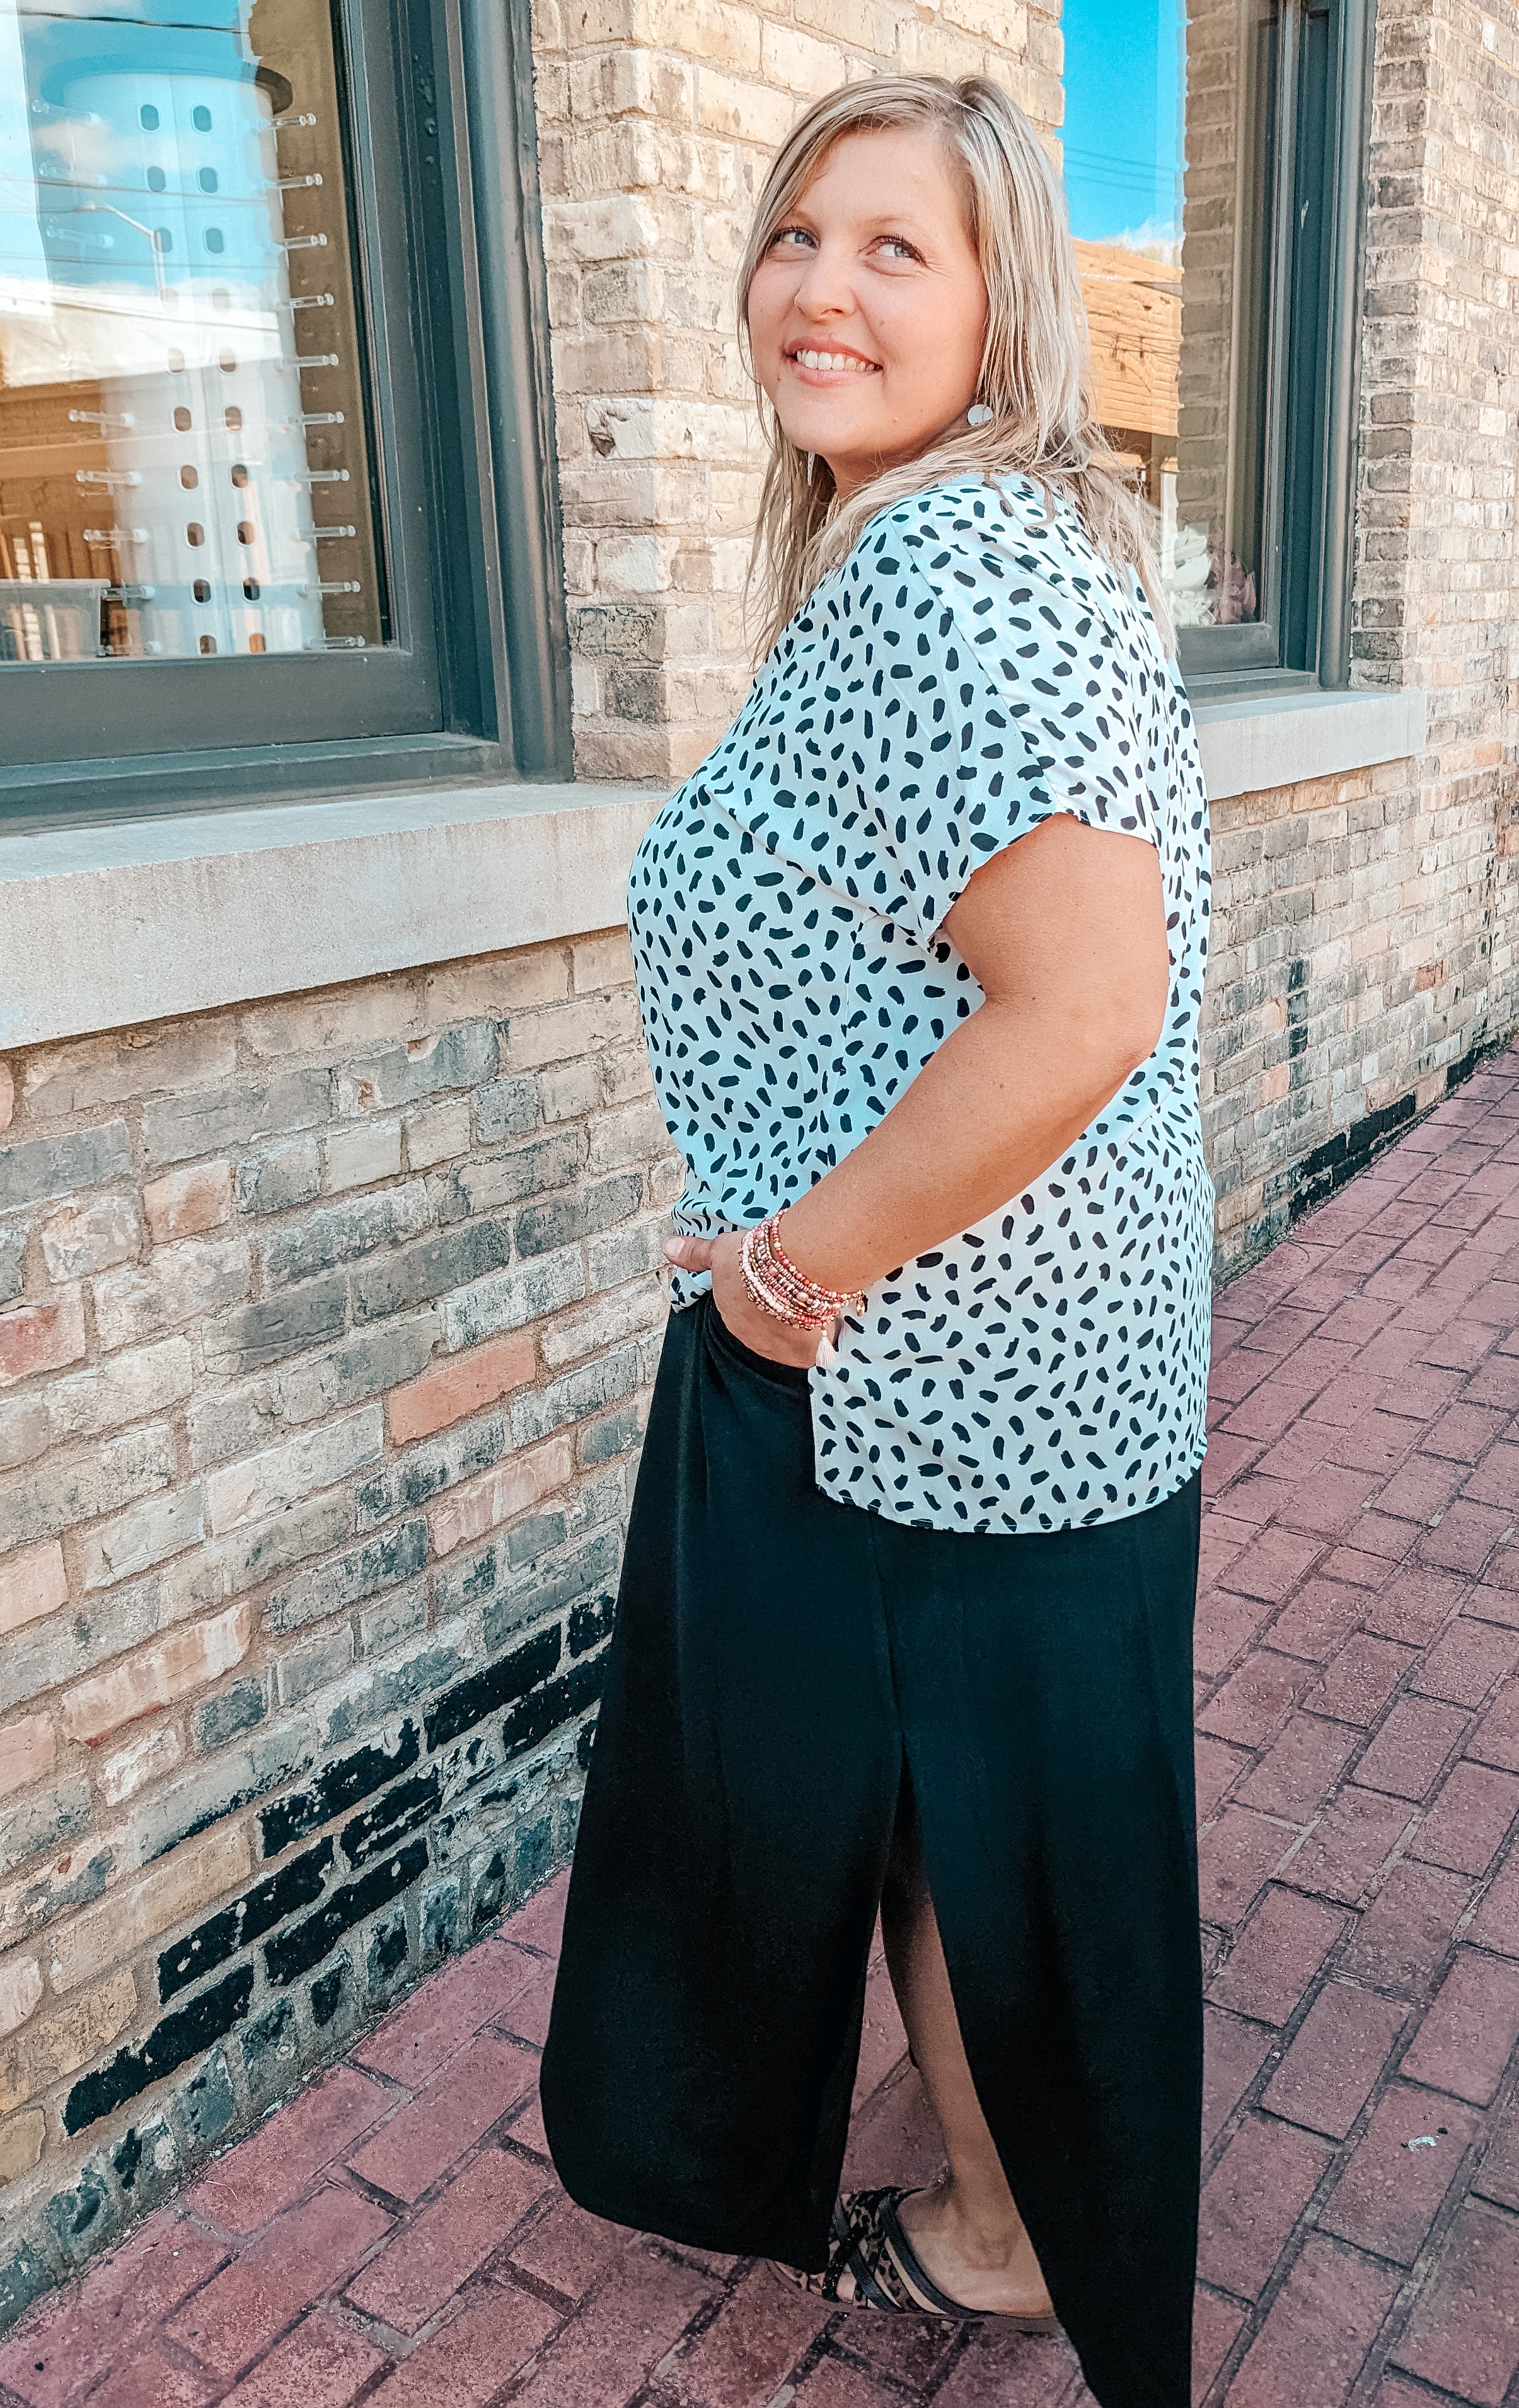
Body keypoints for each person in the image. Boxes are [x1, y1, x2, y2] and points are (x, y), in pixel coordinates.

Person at [540, 71, 1213, 2408]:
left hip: (942, 1371)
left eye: (893, 248)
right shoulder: (930, 549)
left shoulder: (960, 568)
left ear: (999, 296)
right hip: (970, 1370)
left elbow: (1088, 1001)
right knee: (954, 1829)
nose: (820, 287)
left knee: (996, 1853)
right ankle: (1009, 2214)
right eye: (796, 233)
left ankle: (1023, 2233)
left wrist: (785, 1270)